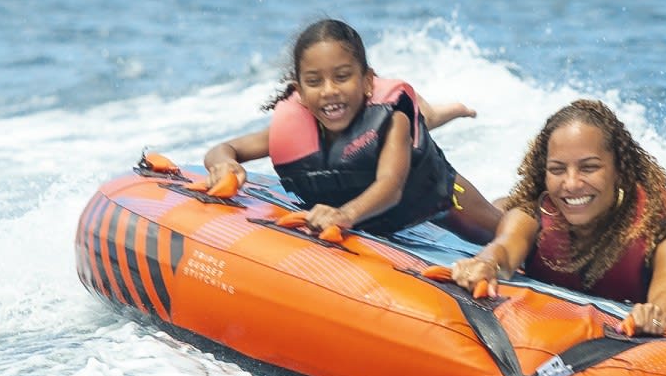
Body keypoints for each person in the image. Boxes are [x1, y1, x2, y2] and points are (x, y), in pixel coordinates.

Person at [182, 18, 501, 242]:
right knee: (421, 116)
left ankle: (448, 111)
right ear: (300, 92)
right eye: (314, 81)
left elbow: (390, 185)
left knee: (500, 232)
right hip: (373, 196)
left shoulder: (391, 118)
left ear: (367, 82)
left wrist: (344, 214)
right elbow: (225, 149)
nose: (329, 90)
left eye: (342, 76)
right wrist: (224, 164)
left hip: (434, 194)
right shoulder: (296, 128)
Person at [449, 99, 666, 329]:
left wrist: (656, 313)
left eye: (589, 167)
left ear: (620, 170)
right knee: (501, 214)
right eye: (557, 170)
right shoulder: (534, 212)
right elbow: (503, 247)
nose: (571, 183)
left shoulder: (663, 231)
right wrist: (486, 263)